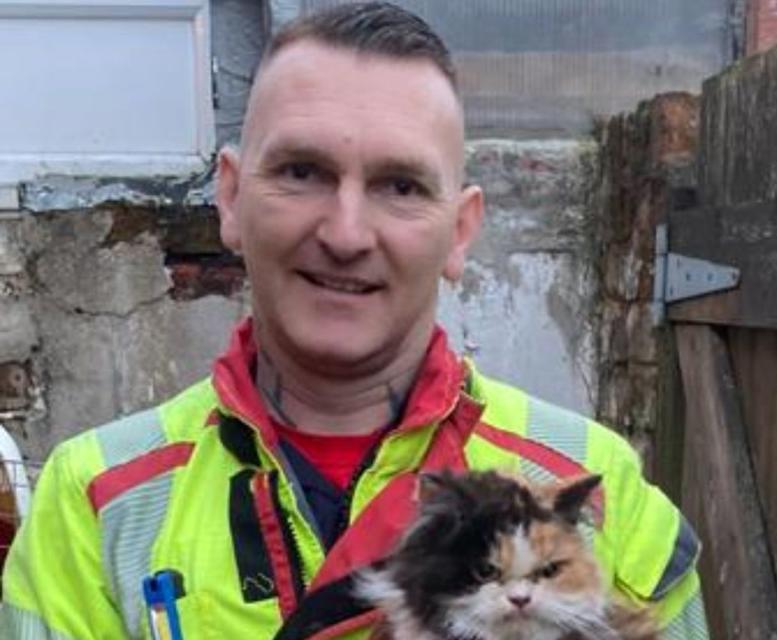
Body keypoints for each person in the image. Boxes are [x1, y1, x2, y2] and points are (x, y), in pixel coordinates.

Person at [1, 3, 710, 639]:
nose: (345, 232)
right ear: (230, 196)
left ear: (460, 231)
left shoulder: (598, 486)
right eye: (302, 172)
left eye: (399, 185)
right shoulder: (96, 501)